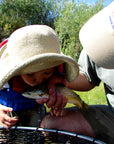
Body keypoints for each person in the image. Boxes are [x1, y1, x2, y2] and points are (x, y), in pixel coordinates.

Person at [39, 2, 114, 144]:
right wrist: (63, 81)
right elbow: (87, 76)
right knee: (49, 124)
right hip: (112, 115)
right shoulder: (100, 38)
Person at [0, 24, 79, 129]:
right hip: (6, 109)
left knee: (36, 132)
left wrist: (56, 102)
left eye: (47, 73)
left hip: (35, 109)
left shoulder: (56, 71)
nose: (38, 80)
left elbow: (62, 87)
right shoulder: (5, 74)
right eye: (30, 74)